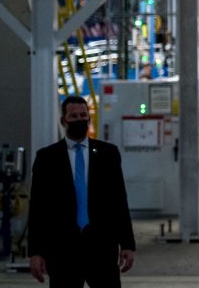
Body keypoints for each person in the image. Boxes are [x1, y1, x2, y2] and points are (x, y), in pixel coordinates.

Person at [28, 95, 136, 286]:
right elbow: (38, 207)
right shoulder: (47, 158)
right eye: (73, 116)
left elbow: (119, 201)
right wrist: (36, 252)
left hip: (101, 247)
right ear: (63, 120)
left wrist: (127, 243)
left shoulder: (108, 154)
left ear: (89, 118)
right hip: (63, 250)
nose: (79, 120)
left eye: (83, 115)